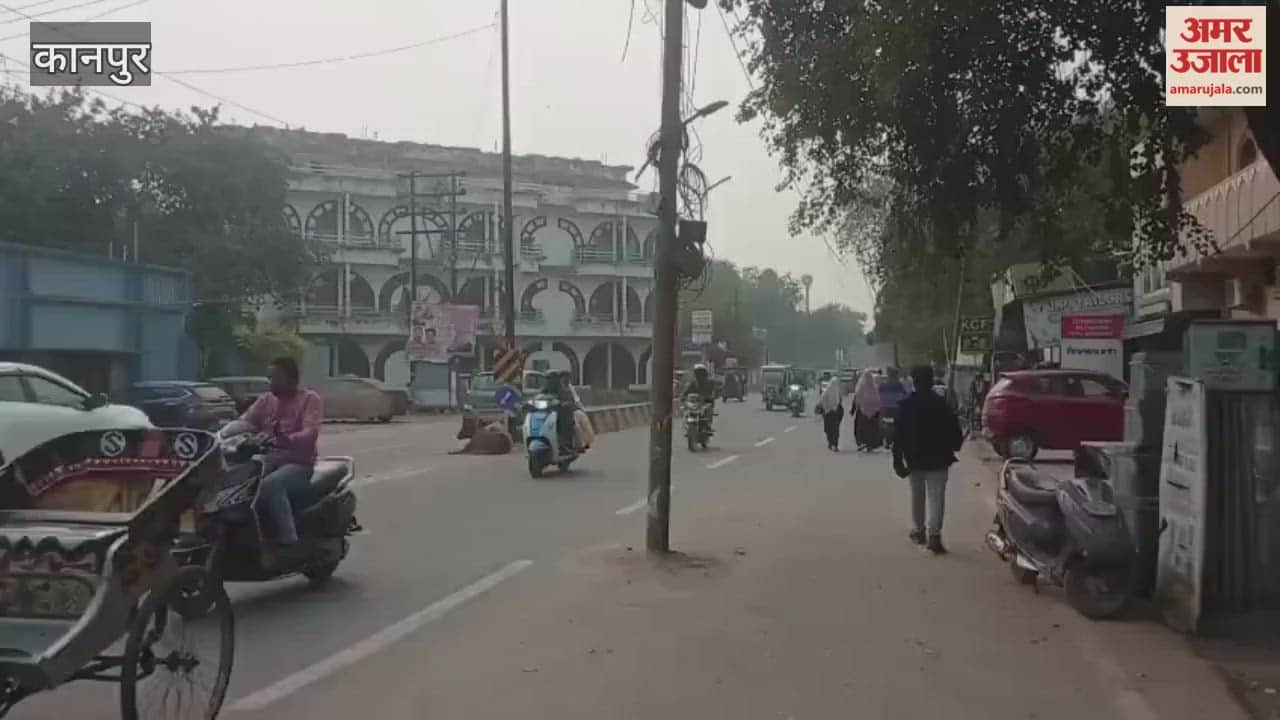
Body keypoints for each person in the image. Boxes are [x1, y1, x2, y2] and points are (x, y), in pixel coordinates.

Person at [229, 356, 323, 566]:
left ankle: (289, 541)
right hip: (267, 458)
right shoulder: (266, 400)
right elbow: (244, 422)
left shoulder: (309, 399)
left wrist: (288, 438)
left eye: (276, 378)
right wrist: (220, 435)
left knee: (272, 485)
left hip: (298, 462)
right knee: (238, 480)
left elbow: (311, 432)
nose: (270, 382)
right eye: (269, 377)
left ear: (291, 379)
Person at [893, 365, 965, 555]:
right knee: (936, 498)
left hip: (914, 459)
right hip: (939, 459)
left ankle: (919, 531)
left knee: (917, 496)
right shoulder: (942, 404)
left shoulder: (905, 405)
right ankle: (934, 537)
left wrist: (897, 460)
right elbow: (955, 431)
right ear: (932, 380)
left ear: (914, 382)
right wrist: (955, 446)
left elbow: (898, 436)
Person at [851, 370, 883, 451]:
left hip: (862, 411)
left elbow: (857, 398)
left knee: (860, 428)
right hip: (873, 413)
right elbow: (878, 401)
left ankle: (861, 443)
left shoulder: (860, 387)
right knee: (872, 429)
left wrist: (853, 409)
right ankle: (870, 444)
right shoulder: (874, 387)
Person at [817, 375, 845, 451]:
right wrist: (827, 409)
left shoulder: (838, 392)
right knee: (829, 429)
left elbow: (840, 401)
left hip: (834, 413)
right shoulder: (826, 392)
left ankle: (834, 444)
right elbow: (822, 400)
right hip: (828, 413)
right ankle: (831, 443)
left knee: (835, 429)